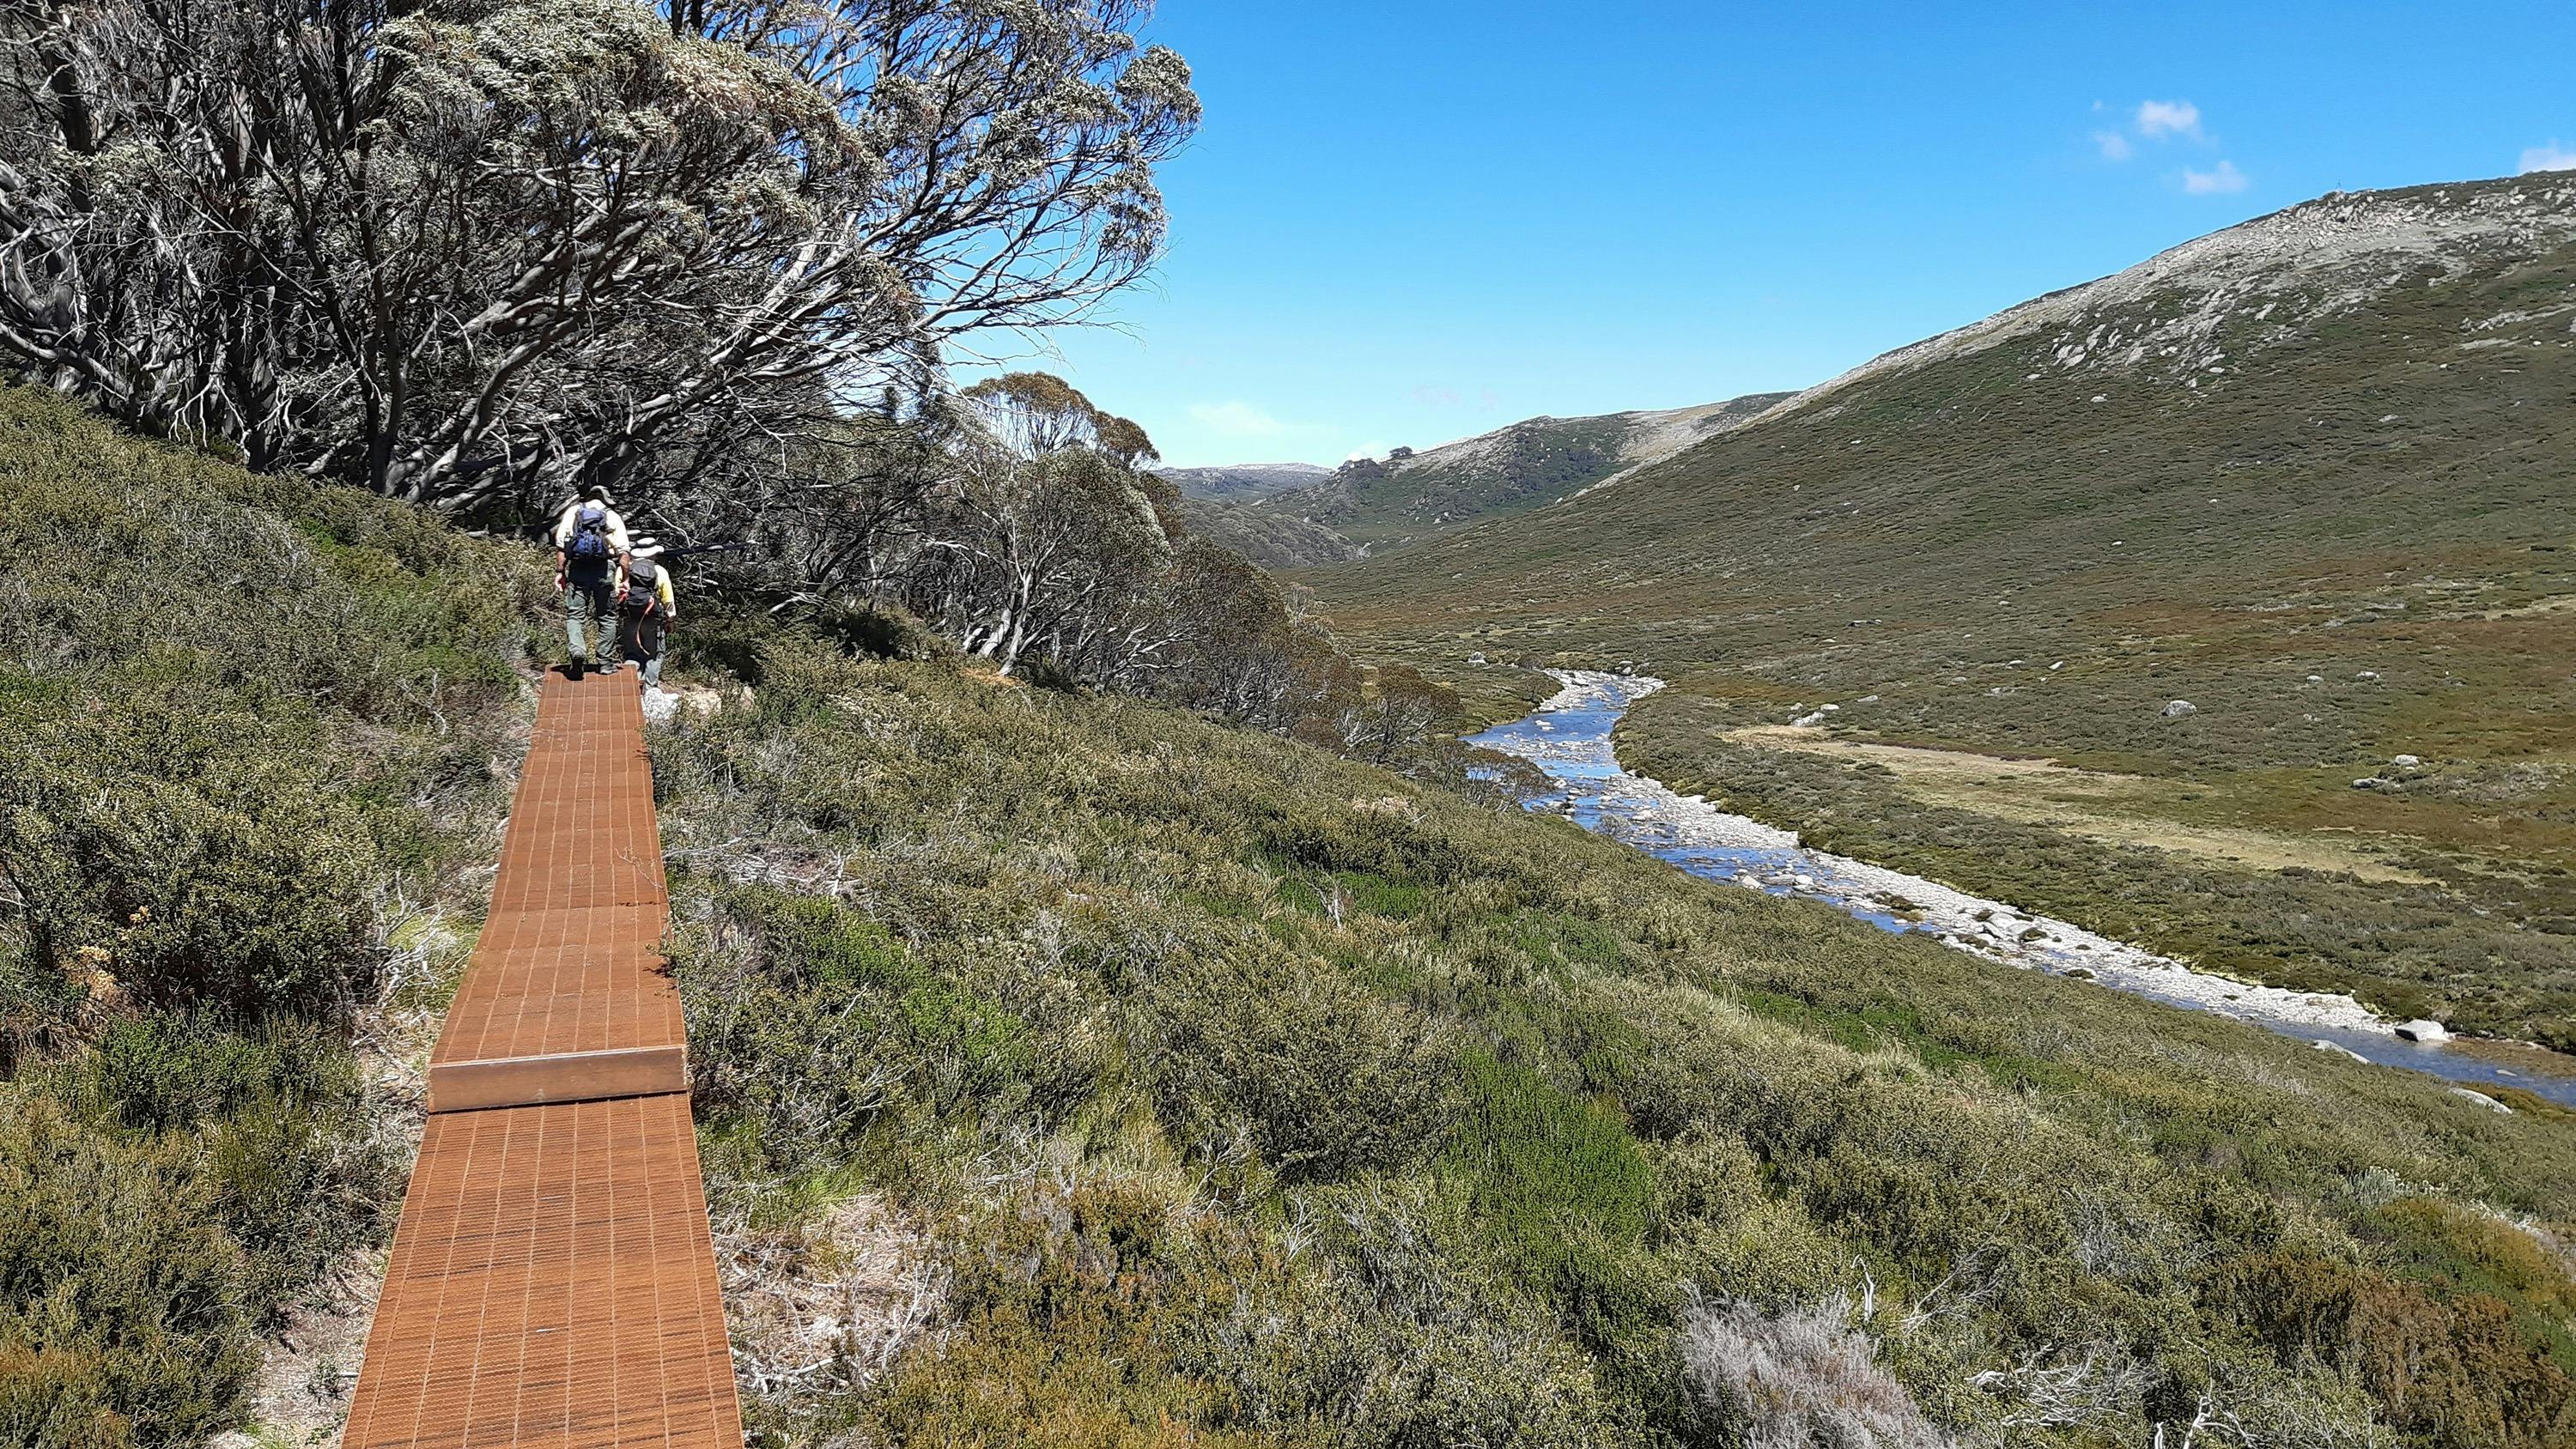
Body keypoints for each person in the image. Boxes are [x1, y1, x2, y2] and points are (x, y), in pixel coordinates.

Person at [551, 488, 632, 677]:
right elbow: (624, 554)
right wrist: (626, 578)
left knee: (575, 615)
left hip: (578, 569)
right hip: (604, 570)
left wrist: (560, 572)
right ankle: (605, 663)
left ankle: (577, 652)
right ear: (606, 500)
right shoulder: (612, 516)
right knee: (606, 617)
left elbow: (562, 546)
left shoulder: (573, 512)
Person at [617, 539, 678, 694]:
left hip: (630, 618)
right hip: (653, 619)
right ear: (654, 554)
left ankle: (631, 689)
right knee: (655, 654)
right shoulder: (660, 571)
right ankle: (649, 690)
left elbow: (616, 594)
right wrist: (670, 619)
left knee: (632, 654)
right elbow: (668, 600)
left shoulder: (623, 570)